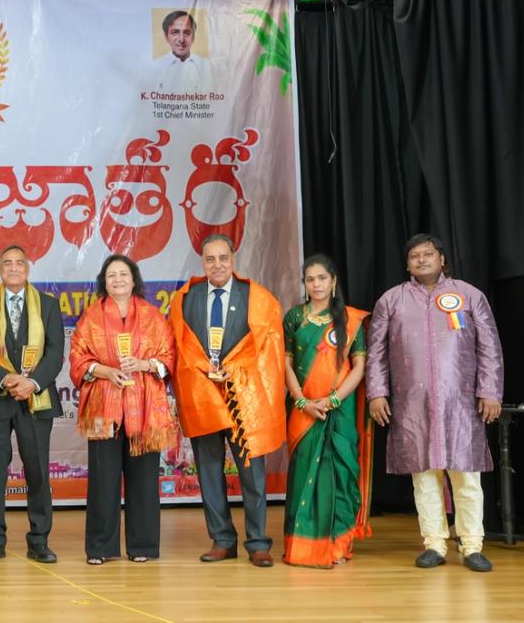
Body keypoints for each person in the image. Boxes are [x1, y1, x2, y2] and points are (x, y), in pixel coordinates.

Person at [366, 233, 503, 572]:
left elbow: (490, 347)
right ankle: (435, 544)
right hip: (413, 404)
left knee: (466, 477)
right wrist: (377, 392)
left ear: (442, 259)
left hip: (460, 404)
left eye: (428, 254)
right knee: (424, 477)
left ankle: (472, 545)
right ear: (407, 264)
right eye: (415, 256)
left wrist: (490, 390)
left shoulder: (469, 296)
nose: (422, 260)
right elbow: (377, 353)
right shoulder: (391, 301)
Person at [168, 233, 285, 567]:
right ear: (202, 262)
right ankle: (222, 539)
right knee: (208, 471)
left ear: (233, 260)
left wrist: (235, 370)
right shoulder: (187, 298)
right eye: (210, 259)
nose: (216, 265)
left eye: (223, 258)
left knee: (252, 474)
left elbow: (267, 347)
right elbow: (179, 346)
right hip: (203, 395)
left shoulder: (256, 297)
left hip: (243, 398)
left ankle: (258, 542)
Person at [69, 254, 176, 565]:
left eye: (123, 274)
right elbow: (78, 358)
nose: (117, 280)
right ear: (104, 281)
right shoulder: (91, 316)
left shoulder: (153, 316)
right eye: (111, 275)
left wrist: (143, 364)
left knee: (143, 479)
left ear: (134, 279)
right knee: (103, 480)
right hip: (104, 406)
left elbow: (168, 358)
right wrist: (105, 371)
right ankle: (101, 548)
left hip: (145, 408)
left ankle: (143, 545)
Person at [0, 245, 65, 563]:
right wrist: (6, 378)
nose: (13, 268)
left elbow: (55, 354)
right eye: (6, 263)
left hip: (36, 399)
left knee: (37, 472)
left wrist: (31, 383)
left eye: (19, 263)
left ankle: (39, 539)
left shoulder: (48, 306)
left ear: (28, 268)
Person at [281, 254, 372, 568]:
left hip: (339, 411)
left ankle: (338, 545)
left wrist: (332, 400)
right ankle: (302, 548)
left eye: (322, 278)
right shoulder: (295, 318)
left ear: (333, 281)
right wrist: (303, 402)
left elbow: (359, 367)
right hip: (303, 411)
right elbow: (286, 364)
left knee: (341, 474)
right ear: (304, 284)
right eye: (310, 279)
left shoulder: (351, 319)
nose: (316, 284)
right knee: (304, 475)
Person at [153, 10, 209, 91]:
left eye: (186, 33)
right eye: (175, 32)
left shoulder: (206, 66)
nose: (181, 39)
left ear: (193, 37)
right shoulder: (156, 67)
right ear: (166, 36)